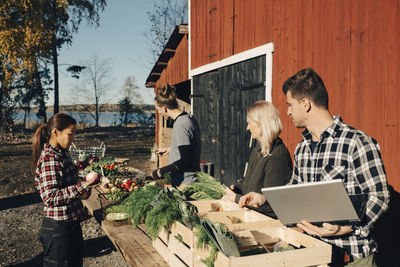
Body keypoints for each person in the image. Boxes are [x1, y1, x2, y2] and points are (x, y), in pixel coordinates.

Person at [239, 68, 390, 267]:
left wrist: (347, 227)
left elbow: (380, 196)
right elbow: (295, 189)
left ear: (306, 104)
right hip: (314, 255)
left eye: (290, 105)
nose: (288, 112)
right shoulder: (302, 148)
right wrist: (266, 198)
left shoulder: (356, 143)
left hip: (351, 259)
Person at [32, 113, 97, 267]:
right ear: (55, 132)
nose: (73, 137)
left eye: (74, 133)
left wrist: (83, 182)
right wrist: (84, 185)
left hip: (69, 226)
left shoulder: (60, 155)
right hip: (58, 231)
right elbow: (51, 197)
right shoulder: (50, 158)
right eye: (70, 133)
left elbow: (67, 185)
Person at [221, 101, 292, 218]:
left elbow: (272, 203)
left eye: (250, 123)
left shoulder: (277, 156)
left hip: (267, 224)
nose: (248, 128)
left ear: (262, 123)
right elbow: (253, 186)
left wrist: (236, 198)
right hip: (253, 217)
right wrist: (237, 189)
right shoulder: (258, 151)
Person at [152, 83, 201, 187]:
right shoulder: (189, 118)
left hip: (185, 183)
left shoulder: (180, 124)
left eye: (158, 109)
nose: (159, 112)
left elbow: (186, 160)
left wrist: (161, 171)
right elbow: (189, 147)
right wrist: (171, 149)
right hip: (192, 179)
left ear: (164, 107)